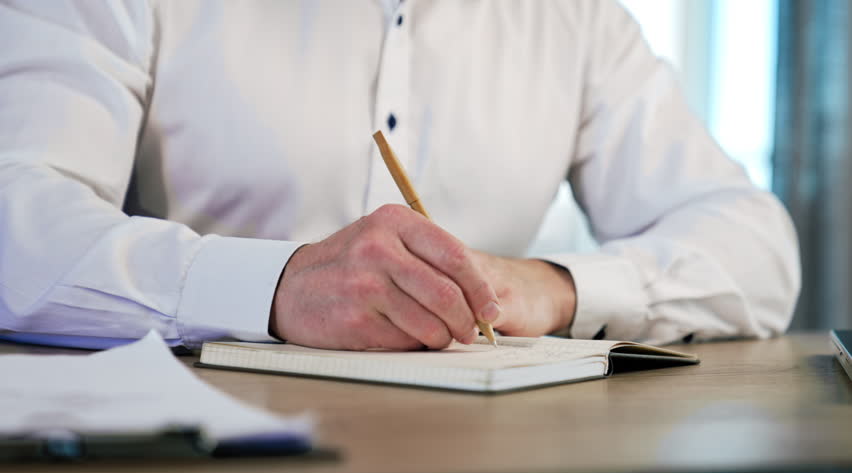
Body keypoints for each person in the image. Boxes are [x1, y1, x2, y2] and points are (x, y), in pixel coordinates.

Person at [0, 0, 800, 351]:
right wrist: (274, 287)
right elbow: (16, 216)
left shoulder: (577, 17)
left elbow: (759, 252)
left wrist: (552, 287)